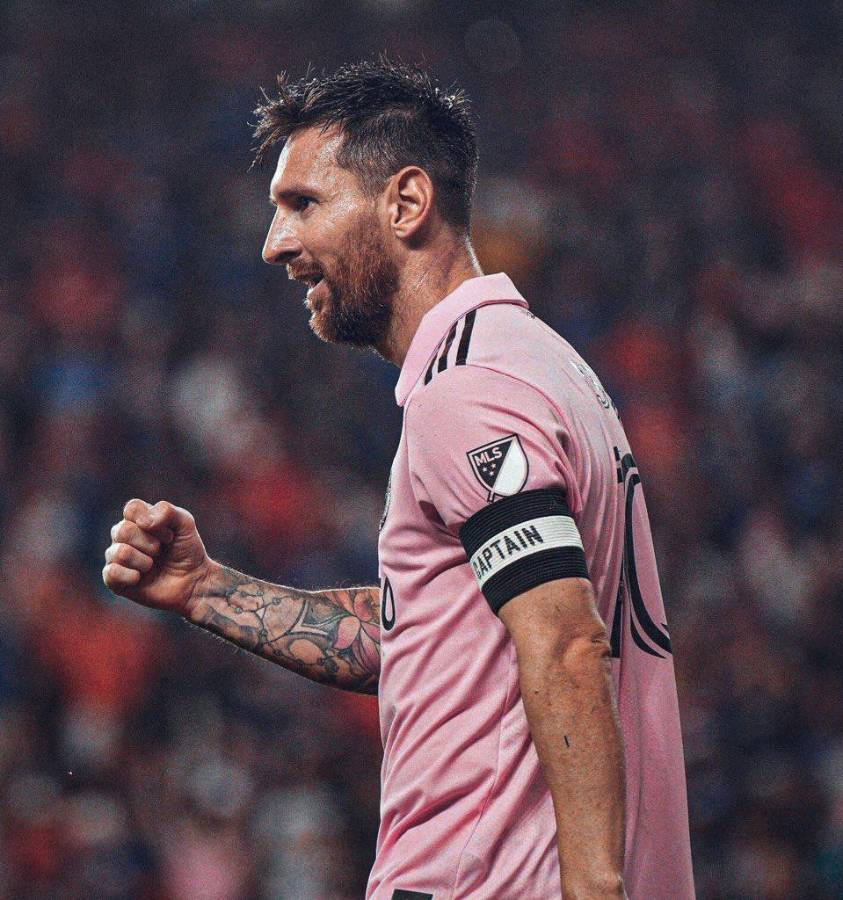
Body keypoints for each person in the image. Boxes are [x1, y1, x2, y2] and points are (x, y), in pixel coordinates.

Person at [104, 60, 694, 899]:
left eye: (303, 204)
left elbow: (566, 644)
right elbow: (430, 636)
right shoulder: (538, 363)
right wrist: (207, 590)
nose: (274, 243)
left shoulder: (468, 391)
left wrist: (594, 892)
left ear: (406, 203)